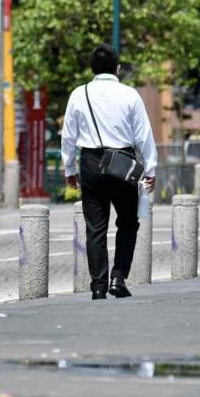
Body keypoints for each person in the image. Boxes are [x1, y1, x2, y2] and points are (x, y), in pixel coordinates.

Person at [61, 44, 157, 300]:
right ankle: (118, 277)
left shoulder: (79, 94)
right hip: (123, 163)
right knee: (127, 221)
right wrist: (151, 168)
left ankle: (98, 286)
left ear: (92, 68)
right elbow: (144, 135)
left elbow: (68, 136)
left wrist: (69, 168)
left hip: (91, 162)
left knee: (95, 227)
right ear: (118, 68)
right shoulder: (130, 94)